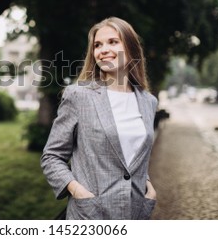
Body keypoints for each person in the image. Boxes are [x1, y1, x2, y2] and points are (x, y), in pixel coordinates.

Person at [40, 17, 158, 220]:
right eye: (97, 45)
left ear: (131, 48)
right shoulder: (79, 95)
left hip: (135, 215)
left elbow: (134, 155)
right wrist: (77, 191)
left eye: (113, 42)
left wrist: (148, 187)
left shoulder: (149, 101)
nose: (103, 49)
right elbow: (52, 157)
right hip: (90, 216)